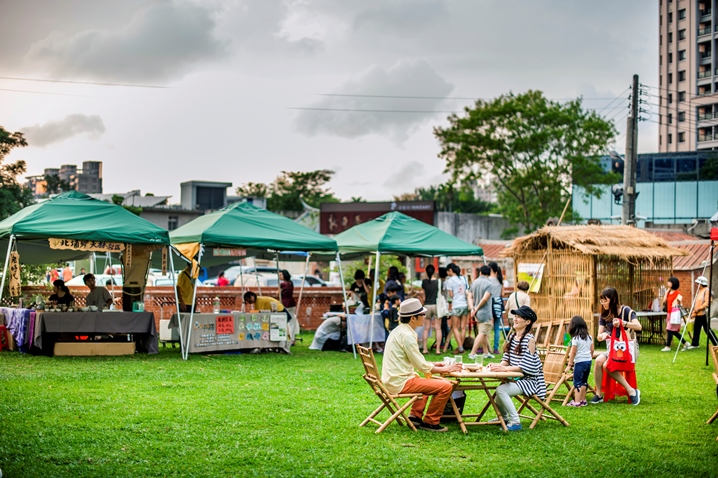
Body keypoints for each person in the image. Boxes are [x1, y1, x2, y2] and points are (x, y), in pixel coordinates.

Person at [381, 297, 463, 432]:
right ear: (413, 318)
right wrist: (447, 368)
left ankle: (415, 416)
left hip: (394, 379)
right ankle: (431, 422)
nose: (425, 316)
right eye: (422, 314)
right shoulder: (407, 336)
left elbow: (417, 361)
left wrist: (434, 364)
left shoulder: (398, 330)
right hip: (400, 382)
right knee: (445, 386)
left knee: (425, 381)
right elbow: (421, 366)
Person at [487, 305, 546, 431]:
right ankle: (503, 419)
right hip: (517, 379)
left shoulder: (530, 340)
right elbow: (506, 359)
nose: (515, 319)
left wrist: (505, 370)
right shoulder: (513, 337)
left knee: (501, 390)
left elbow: (525, 366)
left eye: (519, 317)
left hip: (530, 381)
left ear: (527, 322)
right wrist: (498, 366)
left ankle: (515, 422)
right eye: (515, 316)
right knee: (498, 395)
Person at [590, 287, 641, 405]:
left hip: (628, 350)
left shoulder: (626, 310)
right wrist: (602, 335)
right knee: (598, 361)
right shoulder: (604, 314)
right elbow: (599, 335)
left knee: (607, 365)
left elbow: (639, 327)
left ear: (613, 300)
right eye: (601, 301)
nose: (603, 304)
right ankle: (598, 394)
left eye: (605, 301)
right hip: (613, 349)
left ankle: (632, 391)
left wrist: (623, 323)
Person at [564, 315, 594, 407]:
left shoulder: (575, 339)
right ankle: (583, 400)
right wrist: (589, 357)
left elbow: (573, 352)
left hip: (579, 362)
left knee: (577, 382)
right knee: (584, 381)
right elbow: (592, 350)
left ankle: (576, 402)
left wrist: (569, 364)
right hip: (588, 361)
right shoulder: (589, 337)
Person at [468, 266, 493, 359]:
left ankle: (486, 352)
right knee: (482, 332)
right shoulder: (489, 284)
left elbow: (469, 296)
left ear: (480, 272)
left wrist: (472, 309)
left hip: (476, 312)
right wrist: (477, 308)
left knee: (484, 332)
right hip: (485, 312)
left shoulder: (474, 282)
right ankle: (473, 353)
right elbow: (485, 299)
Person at [443, 263, 468, 354]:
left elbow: (451, 295)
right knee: (463, 327)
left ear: (450, 270)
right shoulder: (463, 278)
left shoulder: (450, 281)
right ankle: (460, 347)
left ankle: (460, 347)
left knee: (454, 327)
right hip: (465, 304)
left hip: (456, 305)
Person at [661, 277, 691, 352]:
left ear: (673, 283)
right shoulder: (668, 292)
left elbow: (680, 302)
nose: (668, 283)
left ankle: (668, 346)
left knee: (669, 329)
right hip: (669, 313)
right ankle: (685, 343)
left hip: (674, 313)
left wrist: (676, 304)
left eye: (669, 282)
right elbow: (664, 301)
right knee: (673, 331)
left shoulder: (678, 293)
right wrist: (667, 291)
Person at [691, 276, 717, 347]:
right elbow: (696, 303)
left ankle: (716, 342)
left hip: (703, 313)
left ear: (701, 284)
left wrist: (699, 309)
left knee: (707, 329)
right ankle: (695, 343)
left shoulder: (706, 291)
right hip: (698, 313)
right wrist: (694, 312)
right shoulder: (699, 291)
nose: (697, 285)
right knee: (696, 328)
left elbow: (707, 302)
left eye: (698, 283)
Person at [421, 265, 441, 355]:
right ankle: (437, 350)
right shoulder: (438, 282)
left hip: (427, 305)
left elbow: (423, 295)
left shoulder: (424, 282)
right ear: (434, 271)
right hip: (436, 305)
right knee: (437, 328)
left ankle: (425, 349)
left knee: (426, 328)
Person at [488, 261, 505, 354]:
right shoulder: (500, 280)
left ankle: (487, 348)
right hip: (498, 304)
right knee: (497, 327)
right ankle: (496, 348)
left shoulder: (488, 280)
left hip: (490, 303)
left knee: (487, 327)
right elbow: (502, 293)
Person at [279, 270, 299, 344]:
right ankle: (292, 339)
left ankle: (284, 338)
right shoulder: (291, 283)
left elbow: (278, 293)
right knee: (291, 322)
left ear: (284, 275)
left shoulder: (282, 284)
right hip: (291, 302)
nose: (279, 276)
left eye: (281, 275)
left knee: (283, 321)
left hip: (284, 303)